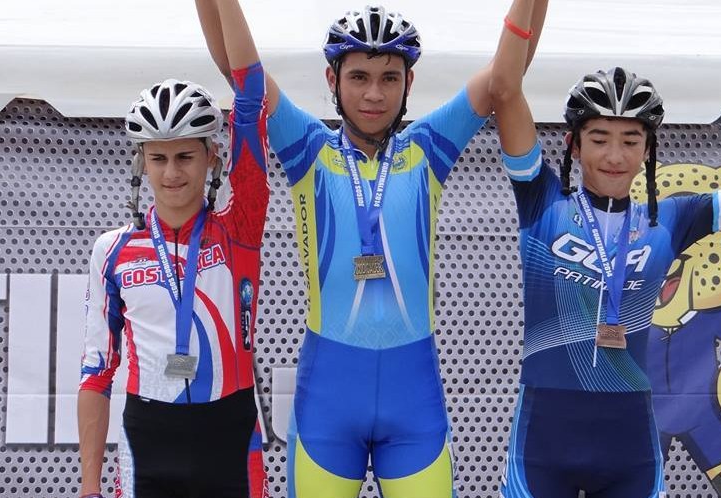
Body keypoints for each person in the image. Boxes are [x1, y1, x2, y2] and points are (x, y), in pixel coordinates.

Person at [197, 1, 547, 496]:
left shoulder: (427, 148)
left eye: (389, 78)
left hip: (413, 409)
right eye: (359, 77)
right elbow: (242, 75)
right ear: (332, 79)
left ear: (409, 83)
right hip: (328, 406)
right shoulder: (309, 149)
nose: (374, 94)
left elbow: (504, 81)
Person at [489, 0, 721, 496]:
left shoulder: (671, 219)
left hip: (629, 446)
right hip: (542, 445)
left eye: (630, 141)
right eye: (599, 138)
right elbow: (504, 89)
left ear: (648, 151)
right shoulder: (542, 200)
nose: (614, 155)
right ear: (573, 145)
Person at [76, 3, 270, 495]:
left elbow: (251, 94)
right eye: (158, 158)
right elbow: (96, 374)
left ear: (211, 157)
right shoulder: (113, 250)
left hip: (230, 439)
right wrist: (89, 486)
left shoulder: (239, 228)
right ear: (141, 162)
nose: (171, 172)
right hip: (148, 443)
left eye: (185, 156)